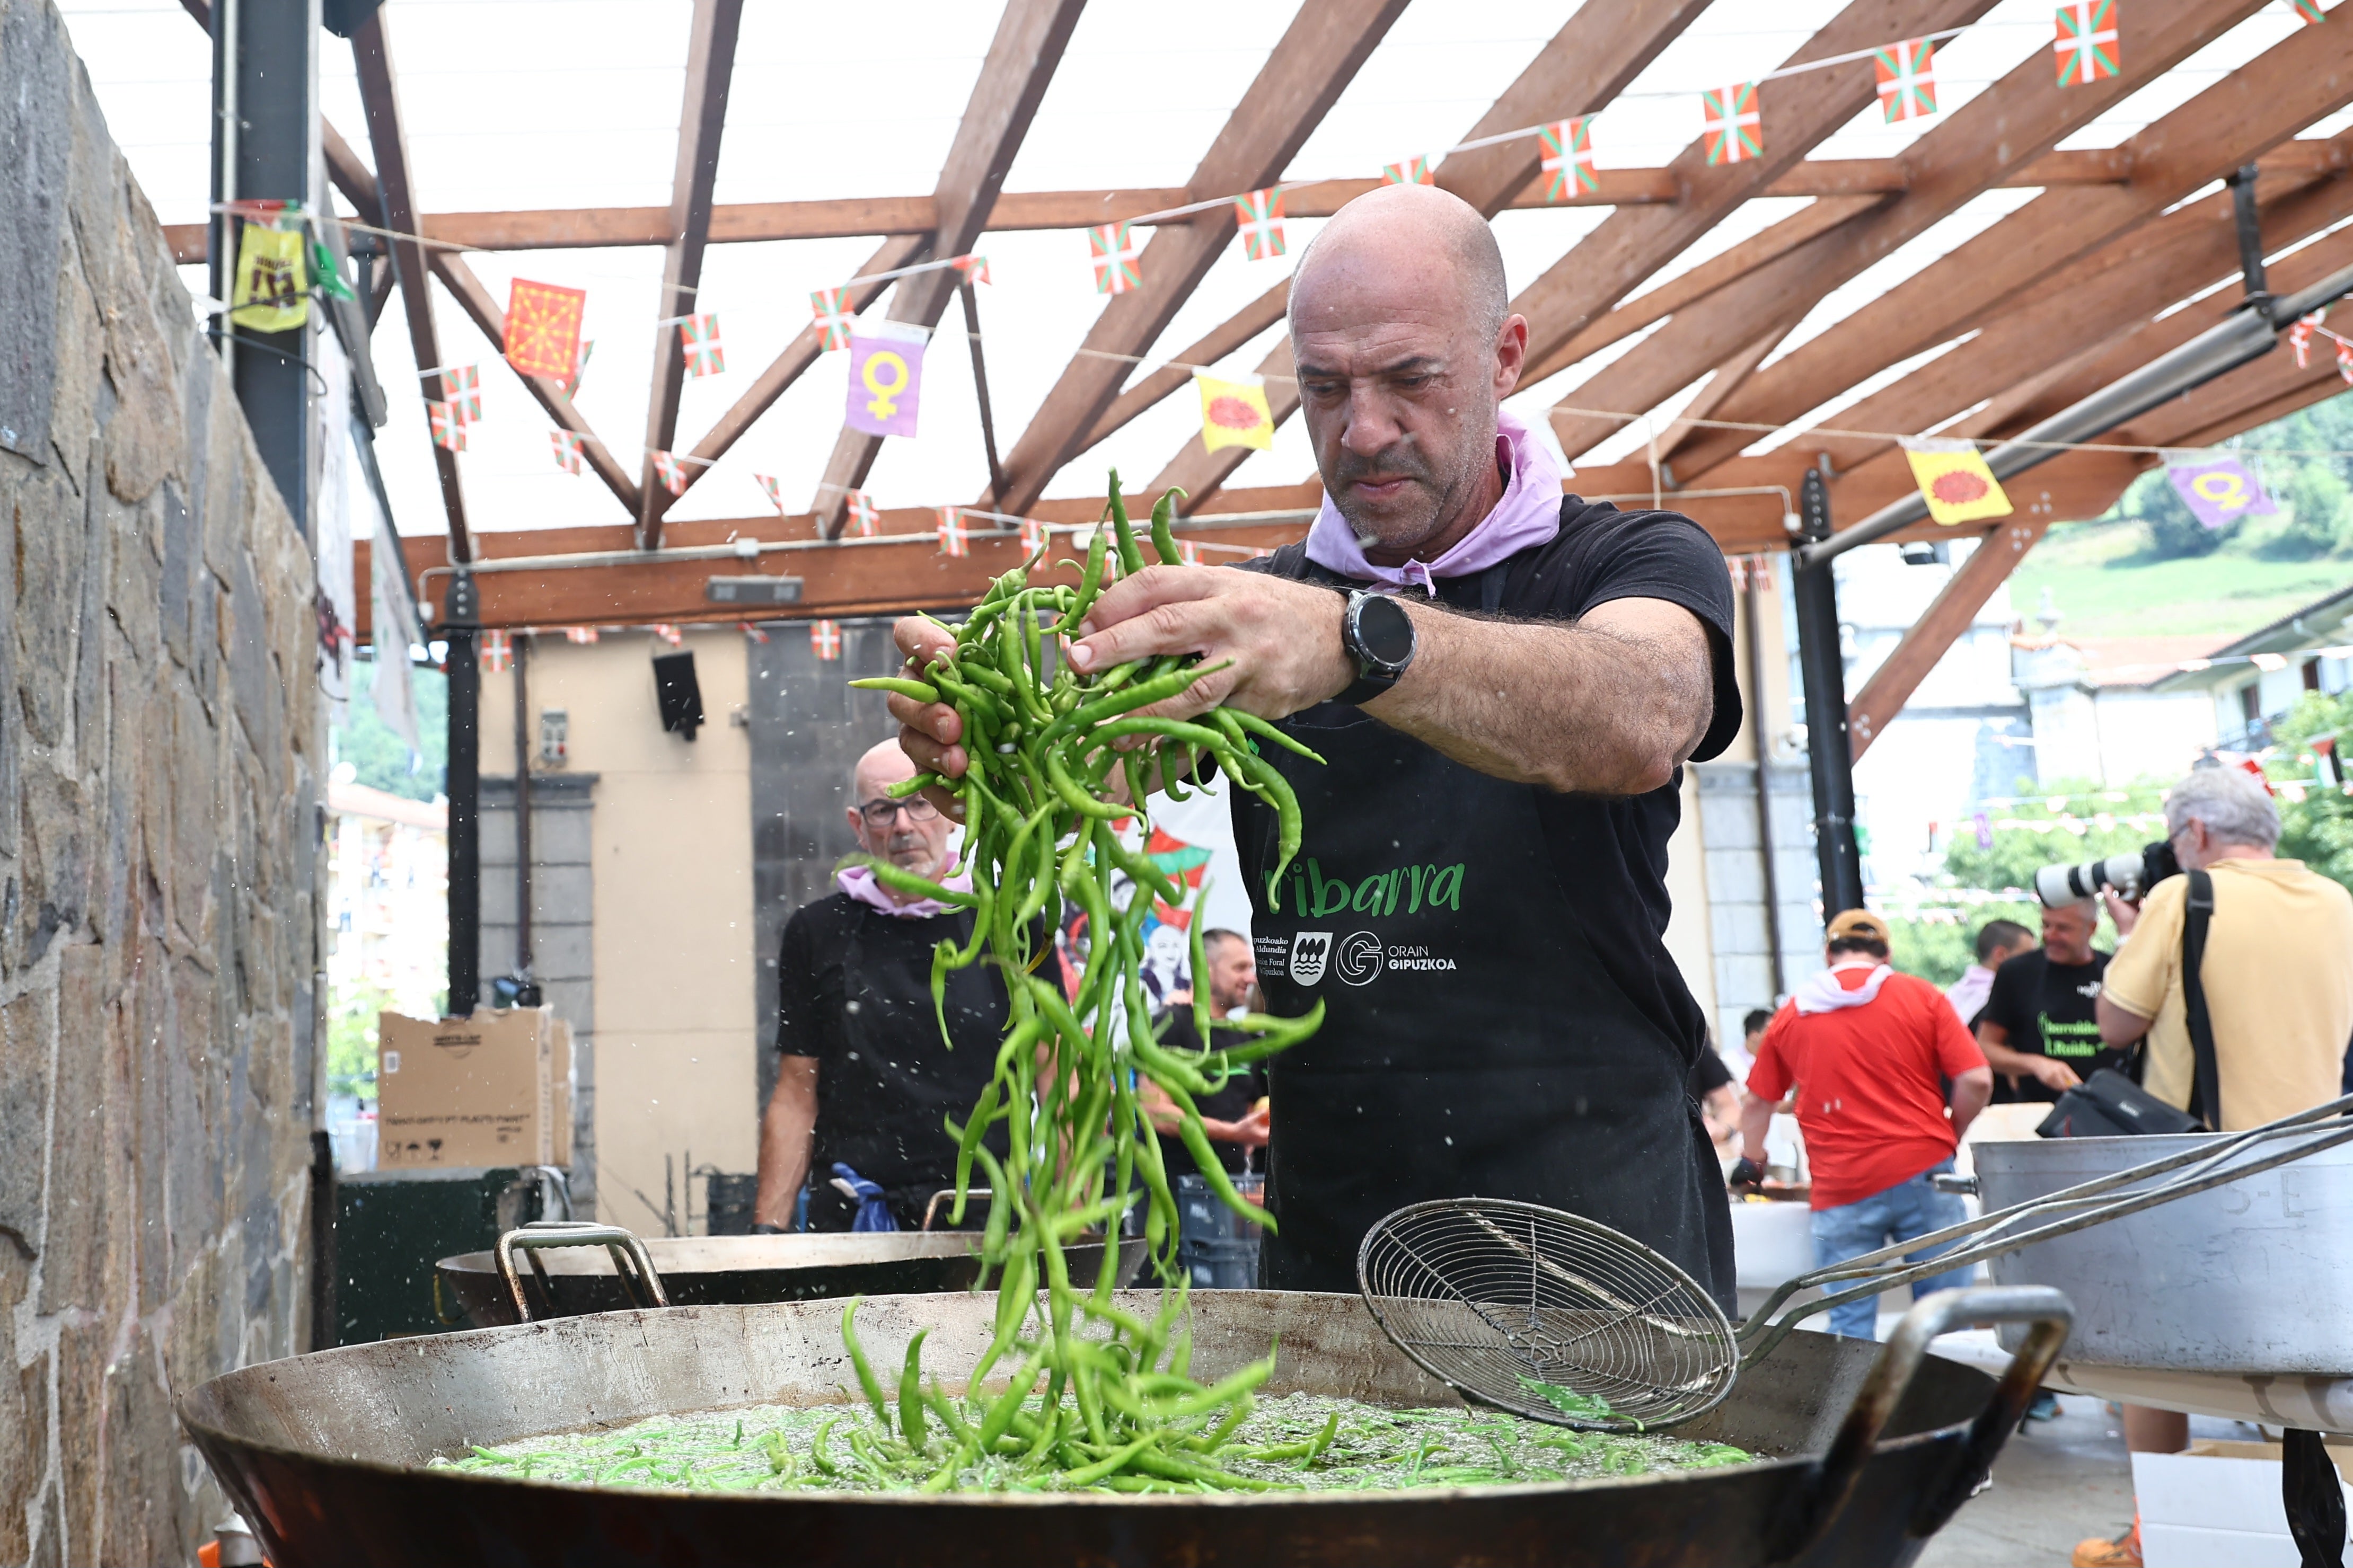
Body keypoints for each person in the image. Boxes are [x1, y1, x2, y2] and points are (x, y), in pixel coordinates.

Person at [885, 182, 1744, 1304]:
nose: (1364, 428)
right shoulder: (1260, 612)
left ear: (1506, 357)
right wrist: (992, 755)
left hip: (1590, 1227)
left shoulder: (1626, 562)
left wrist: (1357, 643)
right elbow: (1096, 770)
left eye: (1408, 379)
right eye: (1323, 387)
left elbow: (1637, 715)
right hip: (1337, 1238)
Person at [2069, 764, 2353, 1568]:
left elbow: (2114, 1023)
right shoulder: (2333, 899)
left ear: (2193, 834)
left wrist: (2131, 930)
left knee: (2153, 1364)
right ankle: (2307, 1527)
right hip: (2313, 1164)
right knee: (2305, 1370)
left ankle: (2151, 1534)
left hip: (2198, 1167)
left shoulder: (2181, 897)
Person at [752, 741, 1014, 1233]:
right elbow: (795, 1092)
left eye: (920, 802)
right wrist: (769, 1231)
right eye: (882, 809)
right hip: (855, 1220)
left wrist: (1073, 1222)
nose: (902, 825)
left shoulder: (1009, 923)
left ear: (954, 812)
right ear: (858, 824)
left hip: (986, 1215)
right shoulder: (816, 932)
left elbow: (1055, 1074)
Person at [1734, 910, 1994, 1339]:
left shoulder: (1793, 1012)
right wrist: (1950, 1134)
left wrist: (1753, 1161)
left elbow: (1758, 1103)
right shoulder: (1921, 995)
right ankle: (1947, 1404)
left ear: (1828, 954)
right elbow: (1977, 1080)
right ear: (1886, 953)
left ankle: (1853, 1405)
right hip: (1923, 1171)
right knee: (1947, 1322)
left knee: (1849, 1330)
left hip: (1842, 1186)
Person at [1141, 928, 1271, 1175]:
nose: (1251, 978)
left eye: (1250, 968)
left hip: (1230, 1189)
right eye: (1239, 968)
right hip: (1174, 1188)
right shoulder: (1170, 1023)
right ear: (1205, 969)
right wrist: (1233, 1133)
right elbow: (1157, 1113)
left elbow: (1250, 1106)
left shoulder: (1245, 1039)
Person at [1977, 902, 2136, 1102]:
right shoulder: (2017, 973)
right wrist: (2036, 1065)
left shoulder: (2113, 970)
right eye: (2046, 925)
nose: (2051, 936)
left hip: (2110, 1108)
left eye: (2063, 929)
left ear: (2092, 928)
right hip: (2039, 1111)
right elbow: (1984, 1048)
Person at [1945, 918, 2034, 1033]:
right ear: (2001, 955)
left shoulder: (1953, 993)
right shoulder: (2003, 998)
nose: (2034, 963)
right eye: (2027, 957)